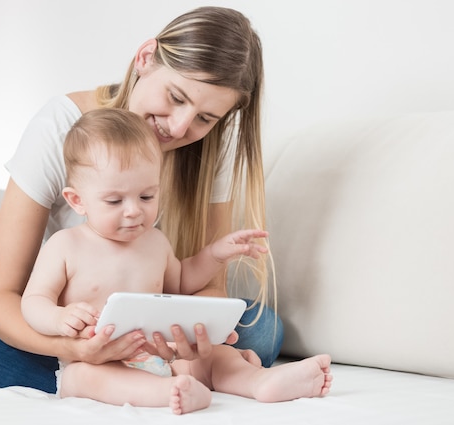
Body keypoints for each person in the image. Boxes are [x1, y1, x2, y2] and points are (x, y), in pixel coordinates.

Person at [0, 6, 285, 393]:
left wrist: (194, 338)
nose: (181, 126)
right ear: (146, 58)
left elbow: (207, 289)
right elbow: (0, 298)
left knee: (263, 327)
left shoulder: (210, 148)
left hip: (153, 327)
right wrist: (73, 347)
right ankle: (101, 378)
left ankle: (129, 380)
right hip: (70, 319)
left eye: (206, 118)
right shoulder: (60, 125)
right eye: (175, 96)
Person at [21, 108, 332, 415]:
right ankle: (166, 392)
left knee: (217, 355)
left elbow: (182, 282)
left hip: (163, 354)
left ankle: (258, 381)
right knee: (83, 377)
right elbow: (33, 301)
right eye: (115, 201)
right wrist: (59, 318)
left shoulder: (155, 241)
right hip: (98, 359)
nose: (133, 211)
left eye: (146, 197)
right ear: (78, 200)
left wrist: (215, 254)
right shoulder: (66, 245)